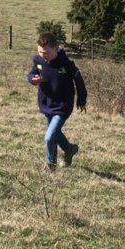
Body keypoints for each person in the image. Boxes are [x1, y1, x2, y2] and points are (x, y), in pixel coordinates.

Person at [28, 32, 87, 171]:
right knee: (55, 133)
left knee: (49, 137)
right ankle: (69, 149)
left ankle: (50, 166)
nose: (43, 55)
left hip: (62, 106)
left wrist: (81, 99)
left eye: (46, 52)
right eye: (40, 52)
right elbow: (32, 73)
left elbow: (79, 80)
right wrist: (32, 79)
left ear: (56, 48)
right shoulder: (38, 61)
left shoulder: (66, 64)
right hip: (46, 104)